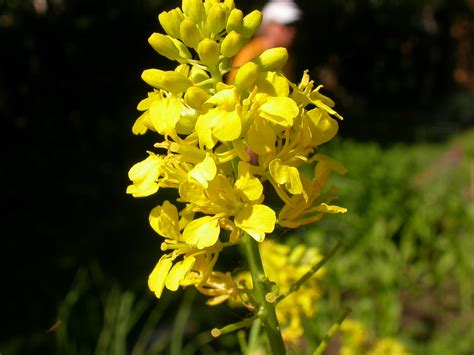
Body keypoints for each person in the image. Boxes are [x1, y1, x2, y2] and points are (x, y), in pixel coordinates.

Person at [226, 0, 302, 83]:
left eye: (295, 25)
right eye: (286, 25)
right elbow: (233, 86)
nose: (292, 30)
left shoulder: (287, 57)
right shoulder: (250, 52)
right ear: (269, 25)